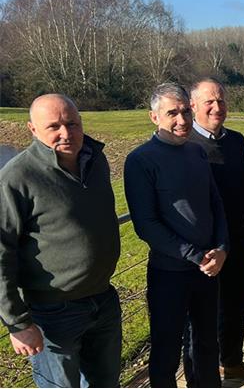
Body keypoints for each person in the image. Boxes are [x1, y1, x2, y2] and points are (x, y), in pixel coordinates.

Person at [0, 94, 122, 387]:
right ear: (32, 129)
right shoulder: (17, 178)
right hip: (54, 314)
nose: (66, 133)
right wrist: (17, 323)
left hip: (103, 300)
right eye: (54, 126)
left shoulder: (95, 160)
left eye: (72, 123)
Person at [125, 82, 229, 388]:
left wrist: (222, 247)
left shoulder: (196, 152)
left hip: (209, 269)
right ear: (154, 117)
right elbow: (146, 225)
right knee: (166, 350)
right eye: (172, 113)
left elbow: (215, 204)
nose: (182, 119)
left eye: (185, 111)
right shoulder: (141, 160)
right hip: (169, 272)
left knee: (207, 345)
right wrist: (196, 256)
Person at [187, 78, 244, 382]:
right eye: (209, 101)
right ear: (193, 105)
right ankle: (205, 372)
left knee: (236, 303)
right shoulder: (187, 145)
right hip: (203, 247)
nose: (216, 107)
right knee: (203, 313)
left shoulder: (235, 141)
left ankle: (232, 360)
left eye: (220, 100)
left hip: (237, 238)